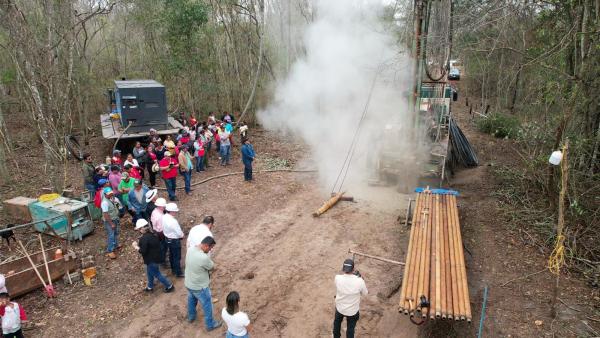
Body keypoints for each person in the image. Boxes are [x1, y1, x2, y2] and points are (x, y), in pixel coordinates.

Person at [185, 236, 221, 331]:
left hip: (189, 283)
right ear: (205, 246)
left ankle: (191, 317)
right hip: (200, 287)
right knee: (207, 304)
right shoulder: (203, 257)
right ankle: (210, 324)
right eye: (210, 247)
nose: (210, 250)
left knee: (191, 300)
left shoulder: (190, 249)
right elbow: (212, 267)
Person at [132, 219, 175, 293]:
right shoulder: (153, 234)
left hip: (151, 260)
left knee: (157, 274)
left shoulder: (143, 239)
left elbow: (143, 251)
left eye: (139, 229)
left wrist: (136, 246)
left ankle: (169, 286)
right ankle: (150, 287)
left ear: (141, 229)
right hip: (156, 257)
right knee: (149, 273)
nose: (139, 231)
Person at [333, 259, 367, 338]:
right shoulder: (359, 281)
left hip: (340, 308)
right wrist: (361, 278)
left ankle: (336, 336)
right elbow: (365, 293)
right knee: (350, 329)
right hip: (352, 311)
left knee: (337, 324)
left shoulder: (337, 278)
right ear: (354, 269)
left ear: (343, 269)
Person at [162, 203, 184, 277]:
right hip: (174, 240)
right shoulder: (173, 221)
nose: (176, 212)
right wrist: (182, 235)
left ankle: (173, 269)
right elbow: (178, 233)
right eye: (175, 211)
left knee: (171, 255)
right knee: (176, 257)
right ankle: (178, 272)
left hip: (167, 239)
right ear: (171, 211)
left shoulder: (164, 217)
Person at [101, 188, 122, 259]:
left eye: (111, 193)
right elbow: (105, 214)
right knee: (111, 235)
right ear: (105, 194)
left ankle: (116, 245)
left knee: (116, 232)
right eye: (109, 194)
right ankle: (110, 250)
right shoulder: (104, 202)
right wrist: (111, 223)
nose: (111, 194)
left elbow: (116, 206)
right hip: (109, 221)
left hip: (114, 218)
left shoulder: (111, 198)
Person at [150, 197, 168, 265]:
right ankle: (163, 261)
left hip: (155, 231)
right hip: (160, 233)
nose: (164, 207)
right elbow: (161, 228)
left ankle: (161, 259)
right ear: (160, 206)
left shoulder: (154, 211)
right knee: (163, 247)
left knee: (160, 247)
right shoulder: (160, 216)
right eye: (163, 206)